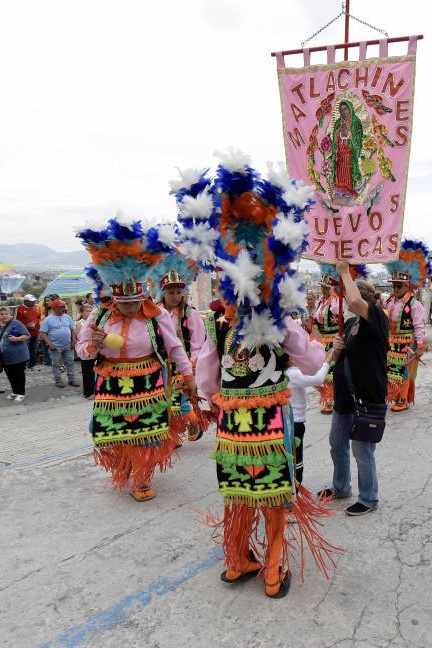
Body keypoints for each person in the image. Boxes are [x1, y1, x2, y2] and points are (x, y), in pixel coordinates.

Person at [177, 156, 337, 599]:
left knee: (239, 493)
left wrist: (218, 397)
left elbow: (207, 379)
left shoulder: (220, 326)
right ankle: (271, 568)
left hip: (232, 430)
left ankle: (236, 561)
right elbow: (311, 364)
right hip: (270, 426)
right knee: (273, 495)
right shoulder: (280, 322)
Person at [76, 216, 195, 502]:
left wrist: (188, 377)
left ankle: (143, 477)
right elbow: (82, 351)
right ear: (114, 298)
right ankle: (127, 465)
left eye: (134, 303)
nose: (129, 308)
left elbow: (176, 347)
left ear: (143, 297)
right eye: (124, 303)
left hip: (148, 380)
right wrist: (92, 345)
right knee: (115, 432)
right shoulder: (100, 314)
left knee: (146, 432)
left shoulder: (158, 315)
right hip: (111, 383)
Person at [319, 262, 389, 516]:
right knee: (337, 444)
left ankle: (369, 497)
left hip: (367, 397)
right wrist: (334, 352)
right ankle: (341, 487)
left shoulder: (377, 317)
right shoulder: (350, 325)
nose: (345, 300)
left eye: (349, 295)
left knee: (362, 450)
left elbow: (355, 301)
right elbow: (337, 356)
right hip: (345, 398)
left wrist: (345, 273)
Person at [148, 243, 204, 441]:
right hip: (161, 365)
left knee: (179, 402)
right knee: (163, 402)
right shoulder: (154, 313)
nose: (174, 296)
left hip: (183, 364)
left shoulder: (192, 315)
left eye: (178, 292)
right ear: (163, 292)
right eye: (170, 292)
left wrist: (191, 364)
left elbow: (198, 344)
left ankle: (192, 422)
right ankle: (173, 437)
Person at [384, 239, 430, 412]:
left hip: (407, 344)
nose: (395, 288)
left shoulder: (415, 304)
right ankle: (394, 395)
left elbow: (419, 326)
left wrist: (420, 346)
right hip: (391, 342)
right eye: (394, 285)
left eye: (399, 285)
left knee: (405, 372)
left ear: (407, 285)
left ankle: (403, 399)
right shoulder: (388, 300)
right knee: (391, 370)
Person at [287, 355, 330, 484]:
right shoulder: (292, 373)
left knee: (292, 456)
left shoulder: (281, 371)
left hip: (289, 421)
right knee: (296, 458)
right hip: (294, 423)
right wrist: (328, 360)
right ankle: (296, 488)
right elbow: (318, 379)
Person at [311, 265, 347, 415]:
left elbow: (337, 311)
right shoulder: (321, 301)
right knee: (324, 371)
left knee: (333, 370)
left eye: (326, 287)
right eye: (322, 287)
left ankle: (334, 399)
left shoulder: (338, 301)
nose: (323, 290)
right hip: (322, 341)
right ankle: (327, 398)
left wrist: (333, 296)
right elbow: (315, 318)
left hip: (334, 340)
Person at [0, 307, 30, 401]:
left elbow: (27, 335)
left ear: (10, 315)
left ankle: (21, 393)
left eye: (6, 313)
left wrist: (16, 339)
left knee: (19, 374)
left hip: (18, 355)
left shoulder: (16, 323)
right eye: (1, 314)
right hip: (4, 356)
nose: (4, 315)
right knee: (10, 375)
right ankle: (15, 392)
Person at [40, 298, 78, 388]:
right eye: (60, 307)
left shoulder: (67, 317)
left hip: (68, 344)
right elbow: (43, 334)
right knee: (56, 363)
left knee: (70, 362)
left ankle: (71, 380)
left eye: (63, 307)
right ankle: (58, 380)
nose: (63, 308)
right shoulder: (48, 319)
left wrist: (74, 340)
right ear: (54, 308)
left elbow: (72, 330)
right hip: (55, 346)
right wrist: (50, 344)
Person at [74, 301, 96, 398]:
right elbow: (79, 336)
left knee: (94, 371)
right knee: (87, 372)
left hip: (94, 348)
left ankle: (95, 389)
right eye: (87, 311)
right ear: (82, 313)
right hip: (86, 349)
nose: (89, 312)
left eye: (91, 311)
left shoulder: (94, 322)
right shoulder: (80, 323)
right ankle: (88, 392)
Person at [16, 295, 41, 369]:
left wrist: (37, 327)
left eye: (34, 301)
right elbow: (15, 322)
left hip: (35, 333)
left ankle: (32, 364)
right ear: (26, 301)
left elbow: (37, 318)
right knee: (25, 349)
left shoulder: (35, 308)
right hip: (24, 334)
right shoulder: (19, 309)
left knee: (34, 349)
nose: (33, 302)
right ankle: (24, 365)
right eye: (31, 301)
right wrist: (26, 326)